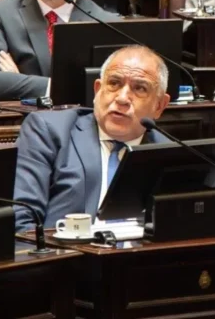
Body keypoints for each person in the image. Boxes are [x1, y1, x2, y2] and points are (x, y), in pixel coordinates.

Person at [13, 45, 171, 231]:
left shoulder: (167, 152)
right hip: (66, 256)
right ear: (97, 90)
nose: (122, 98)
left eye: (139, 88)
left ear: (160, 105)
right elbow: (20, 220)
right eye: (114, 83)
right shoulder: (49, 131)